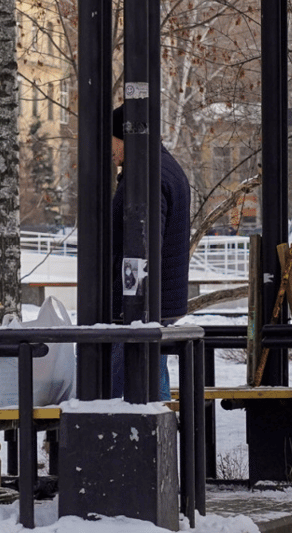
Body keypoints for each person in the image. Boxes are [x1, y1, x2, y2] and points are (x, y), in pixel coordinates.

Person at [110, 105, 191, 398]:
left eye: (113, 139)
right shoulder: (163, 166)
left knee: (125, 390)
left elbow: (143, 245)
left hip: (139, 306)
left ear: (125, 137)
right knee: (151, 380)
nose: (110, 148)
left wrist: (129, 300)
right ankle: (162, 439)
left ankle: (148, 442)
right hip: (158, 303)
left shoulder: (144, 174)